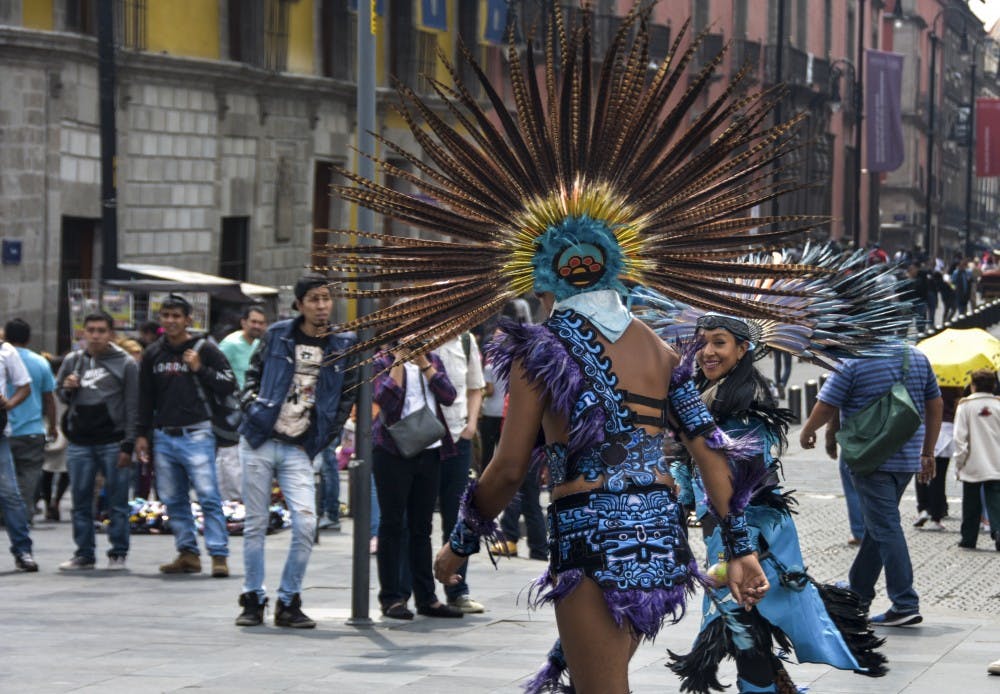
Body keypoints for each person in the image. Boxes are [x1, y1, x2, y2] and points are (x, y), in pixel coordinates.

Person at [668, 314, 886, 693]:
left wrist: (741, 544)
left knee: (743, 621)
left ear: (743, 349)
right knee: (746, 622)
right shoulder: (705, 394)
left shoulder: (744, 404)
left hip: (750, 530)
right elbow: (693, 470)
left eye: (719, 342)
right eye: (702, 342)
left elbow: (745, 482)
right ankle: (776, 683)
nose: (707, 351)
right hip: (727, 530)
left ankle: (765, 685)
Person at [234, 275, 358, 628]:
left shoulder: (343, 343)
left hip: (300, 447)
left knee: (305, 524)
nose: (321, 306)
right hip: (260, 438)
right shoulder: (277, 334)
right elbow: (253, 375)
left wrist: (324, 439)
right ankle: (252, 598)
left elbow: (346, 397)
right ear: (300, 304)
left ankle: (289, 599)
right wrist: (251, 407)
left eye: (326, 298)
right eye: (314, 299)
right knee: (256, 524)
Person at [800, 342, 942, 627]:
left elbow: (827, 404)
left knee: (886, 527)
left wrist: (806, 431)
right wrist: (928, 452)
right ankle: (859, 593)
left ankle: (904, 602)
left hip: (869, 457)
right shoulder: (915, 355)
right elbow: (934, 404)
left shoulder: (852, 360)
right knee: (879, 526)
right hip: (906, 457)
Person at [135, 294, 236, 577]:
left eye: (176, 316)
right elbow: (144, 397)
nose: (171, 321)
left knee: (208, 494)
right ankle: (187, 553)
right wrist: (141, 433)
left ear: (188, 319)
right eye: (166, 316)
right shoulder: (153, 353)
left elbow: (229, 385)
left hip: (198, 433)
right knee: (173, 497)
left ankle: (218, 554)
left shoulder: (205, 348)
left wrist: (200, 369)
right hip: (164, 435)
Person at [373, 340, 462, 621]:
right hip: (392, 450)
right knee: (392, 524)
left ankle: (427, 597)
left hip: (430, 449)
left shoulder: (433, 358)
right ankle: (392, 597)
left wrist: (424, 364)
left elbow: (448, 395)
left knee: (422, 527)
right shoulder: (381, 361)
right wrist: (399, 361)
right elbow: (385, 400)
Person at [54, 311, 139, 571]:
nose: (95, 335)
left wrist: (129, 442)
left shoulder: (125, 363)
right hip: (80, 441)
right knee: (80, 499)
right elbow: (60, 393)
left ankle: (118, 552)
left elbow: (133, 405)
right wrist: (68, 388)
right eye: (91, 330)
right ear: (83, 333)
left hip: (112, 440)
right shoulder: (73, 360)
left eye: (101, 330)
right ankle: (84, 553)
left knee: (117, 500)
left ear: (111, 334)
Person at [435, 331, 487, 613]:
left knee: (456, 515)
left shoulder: (465, 340)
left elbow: (476, 387)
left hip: (457, 437)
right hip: (421, 440)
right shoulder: (417, 333)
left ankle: (457, 589)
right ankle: (415, 591)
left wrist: (470, 425)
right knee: (413, 519)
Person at [3, 319, 57, 521]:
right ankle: (22, 517)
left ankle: (5, 515)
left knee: (5, 477)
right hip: (32, 431)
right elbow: (49, 399)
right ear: (28, 338)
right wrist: (53, 427)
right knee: (28, 478)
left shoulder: (3, 359)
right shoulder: (40, 362)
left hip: (5, 431)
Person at [217, 305, 267, 502]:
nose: (257, 326)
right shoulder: (230, 343)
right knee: (230, 453)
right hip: (233, 407)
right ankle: (231, 498)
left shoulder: (261, 344)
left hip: (255, 406)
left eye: (261, 323)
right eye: (253, 321)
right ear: (243, 322)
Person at [951, 369, 1000, 552]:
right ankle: (998, 531)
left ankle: (969, 538)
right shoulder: (998, 405)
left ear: (973, 385)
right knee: (996, 500)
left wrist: (959, 462)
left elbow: (960, 438)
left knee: (971, 502)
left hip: (972, 462)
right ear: (993, 385)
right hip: (996, 462)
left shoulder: (965, 406)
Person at [0, 335, 36, 571]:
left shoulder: (5, 351)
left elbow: (24, 386)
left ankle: (22, 550)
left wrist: (9, 403)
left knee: (10, 493)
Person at [914, 386, 962, 531]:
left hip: (924, 425)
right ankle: (936, 515)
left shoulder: (927, 378)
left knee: (920, 469)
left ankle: (923, 507)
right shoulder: (955, 381)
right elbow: (957, 406)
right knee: (938, 476)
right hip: (946, 428)